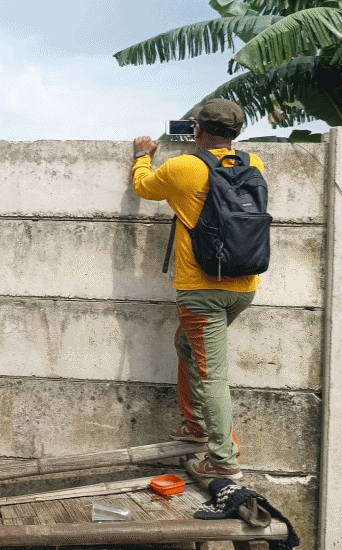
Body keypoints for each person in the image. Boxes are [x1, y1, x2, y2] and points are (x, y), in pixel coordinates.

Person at [132, 98, 263, 480]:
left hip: (202, 291)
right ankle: (194, 424)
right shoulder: (254, 164)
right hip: (245, 286)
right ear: (236, 133)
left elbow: (143, 187)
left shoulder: (183, 167)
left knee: (211, 374)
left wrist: (143, 155)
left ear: (197, 129)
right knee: (187, 346)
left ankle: (223, 460)